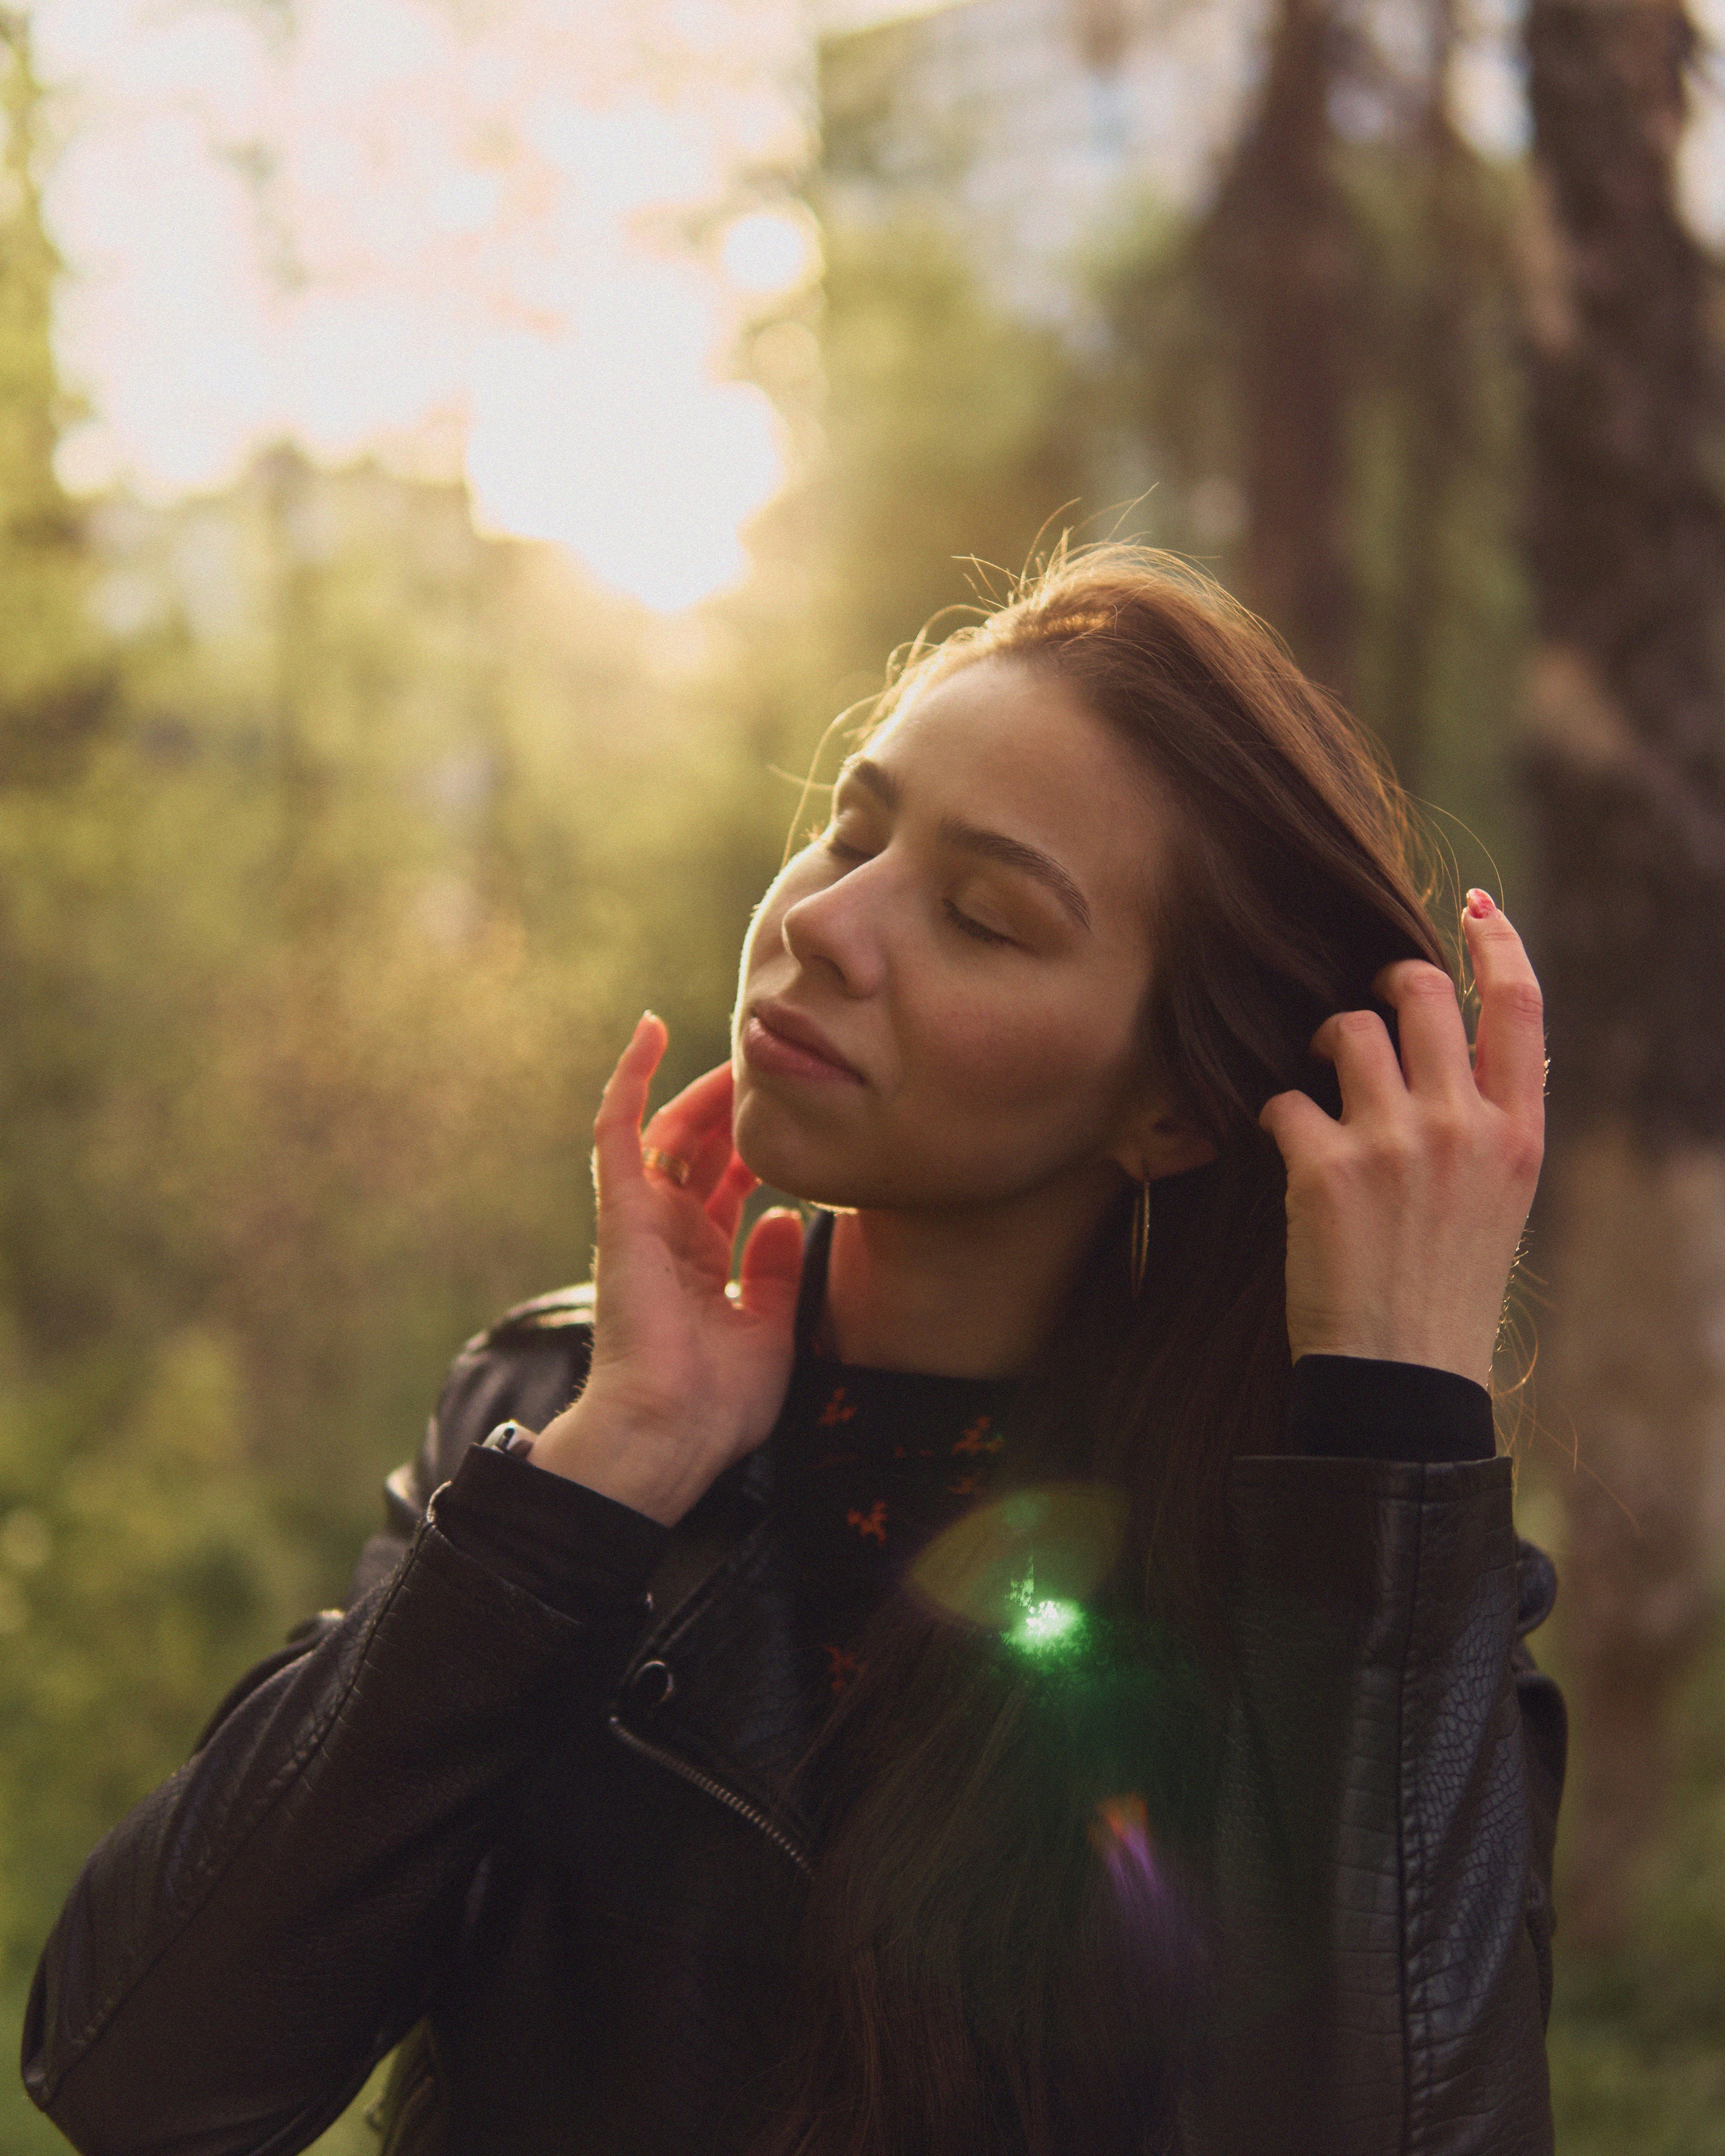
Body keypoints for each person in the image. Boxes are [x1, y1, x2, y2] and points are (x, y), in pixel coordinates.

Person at [22, 550, 1564, 2156]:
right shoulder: (554, 1425)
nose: (823, 923)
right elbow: (143, 2079)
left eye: (979, 914)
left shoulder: (1338, 1587)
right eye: (849, 826)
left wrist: (1395, 1425)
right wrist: (612, 1460)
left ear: (1169, 1106)